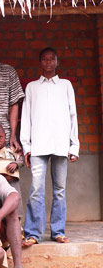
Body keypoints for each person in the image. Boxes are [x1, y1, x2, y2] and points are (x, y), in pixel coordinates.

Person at [20, 47, 79, 246]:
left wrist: (74, 145)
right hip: (38, 145)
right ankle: (33, 233)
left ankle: (58, 231)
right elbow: (26, 117)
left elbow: (73, 116)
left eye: (52, 59)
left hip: (61, 144)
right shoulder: (32, 87)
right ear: (40, 62)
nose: (48, 62)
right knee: (37, 188)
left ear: (57, 62)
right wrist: (26, 146)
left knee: (60, 189)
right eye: (44, 59)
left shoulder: (65, 85)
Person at [0, 123, 24, 218]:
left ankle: (18, 226)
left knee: (15, 202)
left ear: (5, 135)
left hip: (12, 182)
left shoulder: (11, 149)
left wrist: (16, 164)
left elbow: (21, 160)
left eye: (0, 137)